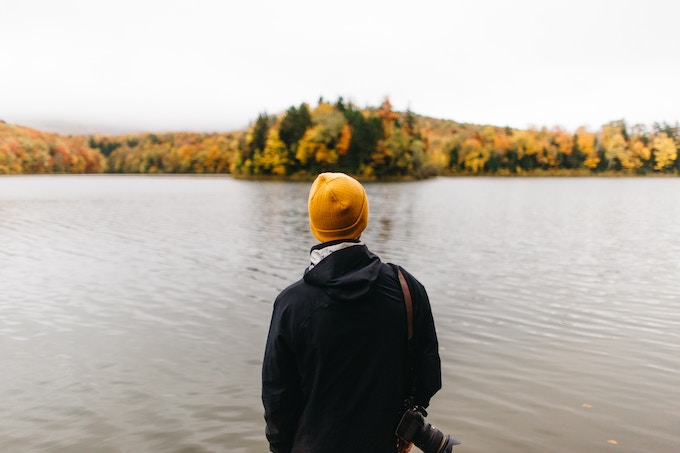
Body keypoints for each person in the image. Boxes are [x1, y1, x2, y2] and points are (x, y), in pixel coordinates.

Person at [261, 172, 442, 453]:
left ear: (314, 225)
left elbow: (278, 400)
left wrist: (281, 448)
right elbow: (428, 377)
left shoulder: (291, 304)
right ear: (364, 219)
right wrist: (405, 429)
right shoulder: (406, 287)